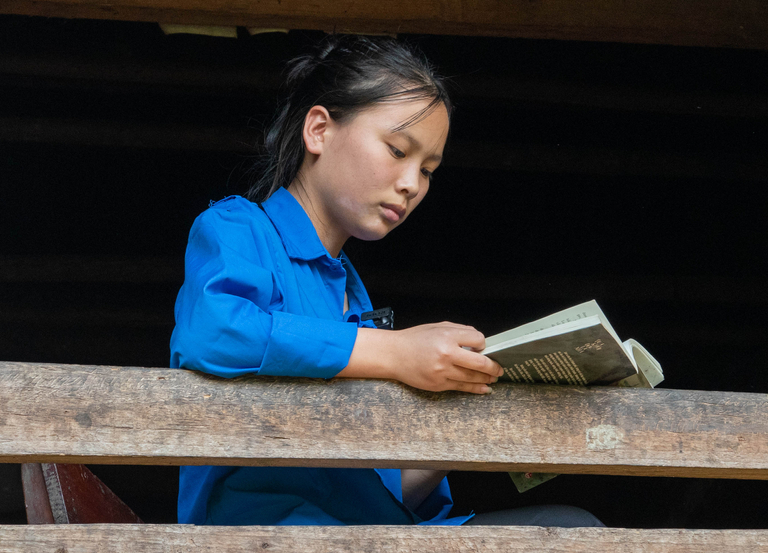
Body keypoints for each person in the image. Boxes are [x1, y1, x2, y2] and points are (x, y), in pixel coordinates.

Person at [170, 34, 603, 528]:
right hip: (263, 536)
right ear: (319, 130)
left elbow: (377, 493)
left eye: (428, 170)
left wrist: (475, 427)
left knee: (571, 527)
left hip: (365, 536)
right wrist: (396, 352)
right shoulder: (238, 228)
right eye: (398, 150)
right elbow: (217, 331)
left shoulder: (354, 297)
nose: (412, 184)